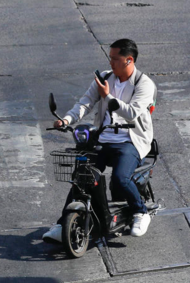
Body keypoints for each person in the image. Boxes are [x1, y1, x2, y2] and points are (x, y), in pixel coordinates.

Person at [43, 39, 157, 244]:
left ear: (128, 60)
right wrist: (66, 119)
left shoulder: (144, 84)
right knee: (82, 178)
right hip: (103, 139)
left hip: (130, 141)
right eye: (110, 57)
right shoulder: (105, 77)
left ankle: (140, 212)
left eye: (115, 58)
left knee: (121, 179)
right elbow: (85, 103)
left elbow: (132, 113)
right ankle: (62, 225)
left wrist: (109, 98)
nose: (110, 62)